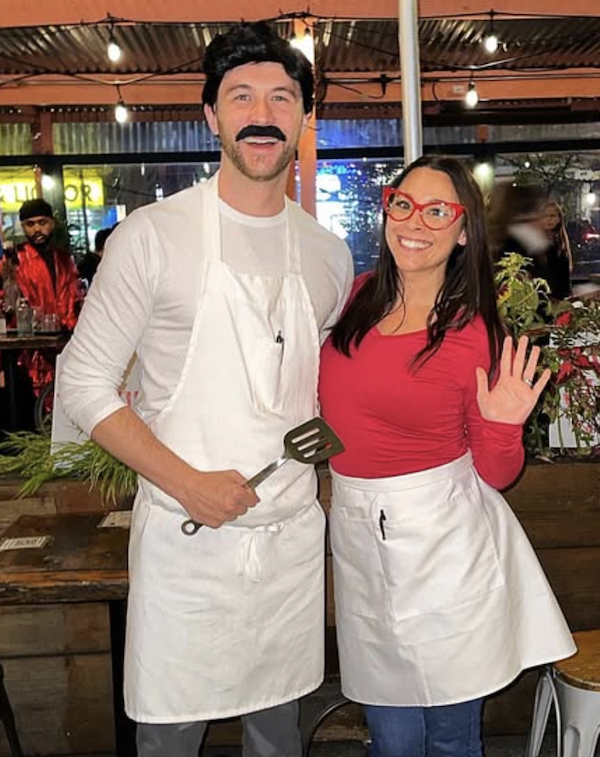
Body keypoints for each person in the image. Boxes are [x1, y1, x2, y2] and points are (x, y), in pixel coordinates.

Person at [59, 20, 353, 757]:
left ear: (304, 118)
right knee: (169, 736)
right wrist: (186, 482)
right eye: (241, 96)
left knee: (278, 737)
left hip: (288, 540)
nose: (263, 113)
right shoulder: (153, 235)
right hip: (187, 544)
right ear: (211, 117)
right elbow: (83, 381)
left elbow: (307, 383)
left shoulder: (328, 253)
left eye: (282, 98)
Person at [318, 155, 575, 757]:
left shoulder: (472, 331)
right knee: (391, 739)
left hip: (446, 545)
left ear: (463, 231)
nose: (415, 222)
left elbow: (497, 473)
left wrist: (506, 424)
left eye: (438, 211)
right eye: (403, 204)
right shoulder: (355, 298)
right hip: (358, 532)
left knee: (452, 739)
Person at [12, 198, 79, 331]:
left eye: (42, 222)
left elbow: (74, 297)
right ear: (23, 227)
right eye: (30, 224)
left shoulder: (64, 260)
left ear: (52, 223)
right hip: (28, 337)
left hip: (65, 333)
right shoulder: (14, 261)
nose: (37, 229)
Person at [540, 200, 572, 299]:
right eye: (545, 216)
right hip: (541, 296)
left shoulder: (561, 241)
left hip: (559, 297)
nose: (549, 219)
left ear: (559, 219)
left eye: (553, 216)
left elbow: (564, 274)